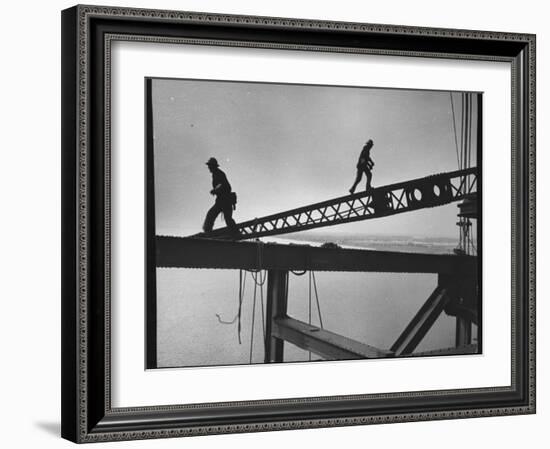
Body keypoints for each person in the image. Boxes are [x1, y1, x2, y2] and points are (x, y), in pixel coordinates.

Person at [202, 157, 238, 234]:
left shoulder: (219, 173)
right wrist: (216, 190)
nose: (209, 168)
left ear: (213, 166)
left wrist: (215, 190)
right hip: (220, 201)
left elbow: (223, 185)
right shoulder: (215, 174)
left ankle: (236, 233)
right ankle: (208, 232)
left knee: (227, 219)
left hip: (225, 200)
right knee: (210, 215)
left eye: (210, 166)